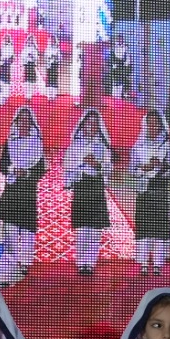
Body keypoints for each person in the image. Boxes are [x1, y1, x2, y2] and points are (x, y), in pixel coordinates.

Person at [0, 105, 45, 274]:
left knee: (28, 228)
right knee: (11, 226)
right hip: (12, 189)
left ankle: (25, 262)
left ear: (31, 122)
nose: (23, 123)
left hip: (28, 189)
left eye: (26, 120)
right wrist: (12, 169)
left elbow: (41, 168)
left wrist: (27, 172)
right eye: (20, 120)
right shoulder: (11, 141)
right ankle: (11, 261)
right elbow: (1, 165)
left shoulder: (37, 143)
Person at [64, 108, 114, 275]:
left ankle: (90, 263)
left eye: (94, 124)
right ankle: (81, 262)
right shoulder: (76, 144)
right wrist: (82, 161)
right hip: (82, 185)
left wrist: (97, 165)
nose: (91, 126)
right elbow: (67, 164)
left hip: (96, 186)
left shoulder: (103, 145)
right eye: (88, 123)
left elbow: (109, 167)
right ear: (83, 125)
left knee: (94, 228)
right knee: (82, 228)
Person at [128, 108, 170, 275]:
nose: (153, 127)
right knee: (144, 226)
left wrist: (161, 167)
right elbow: (132, 170)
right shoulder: (138, 145)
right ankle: (143, 262)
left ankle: (157, 263)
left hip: (159, 189)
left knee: (159, 227)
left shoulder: (167, 145)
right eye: (150, 124)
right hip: (144, 189)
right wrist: (144, 168)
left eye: (156, 124)